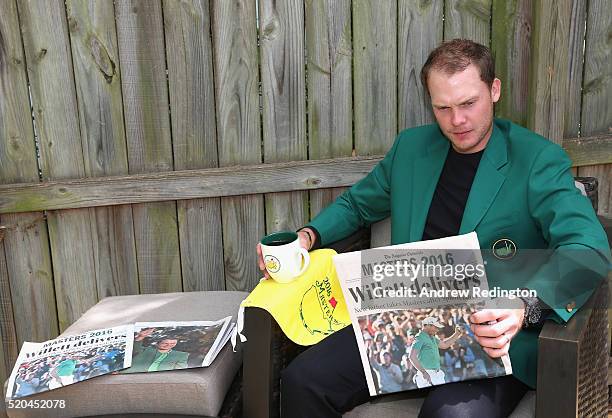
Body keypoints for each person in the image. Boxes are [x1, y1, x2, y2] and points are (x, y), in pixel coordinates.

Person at [257, 39, 610, 418]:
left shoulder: (537, 160)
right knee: (302, 381)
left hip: (489, 333)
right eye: (443, 108)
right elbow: (358, 204)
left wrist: (524, 306)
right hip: (400, 318)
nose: (457, 120)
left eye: (468, 104)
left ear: (494, 90)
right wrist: (307, 237)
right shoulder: (411, 149)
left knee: (450, 416)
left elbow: (589, 248)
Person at [410, 317, 462, 387]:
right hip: (428, 375)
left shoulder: (432, 338)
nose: (437, 330)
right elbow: (412, 356)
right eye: (436, 327)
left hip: (436, 374)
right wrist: (424, 372)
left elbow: (445, 345)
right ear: (428, 326)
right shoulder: (420, 337)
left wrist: (456, 334)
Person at [124, 328, 189, 373]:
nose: (168, 345)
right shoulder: (145, 350)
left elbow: (180, 370)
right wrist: (141, 337)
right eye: (165, 343)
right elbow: (135, 347)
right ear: (157, 343)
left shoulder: (181, 355)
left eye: (173, 343)